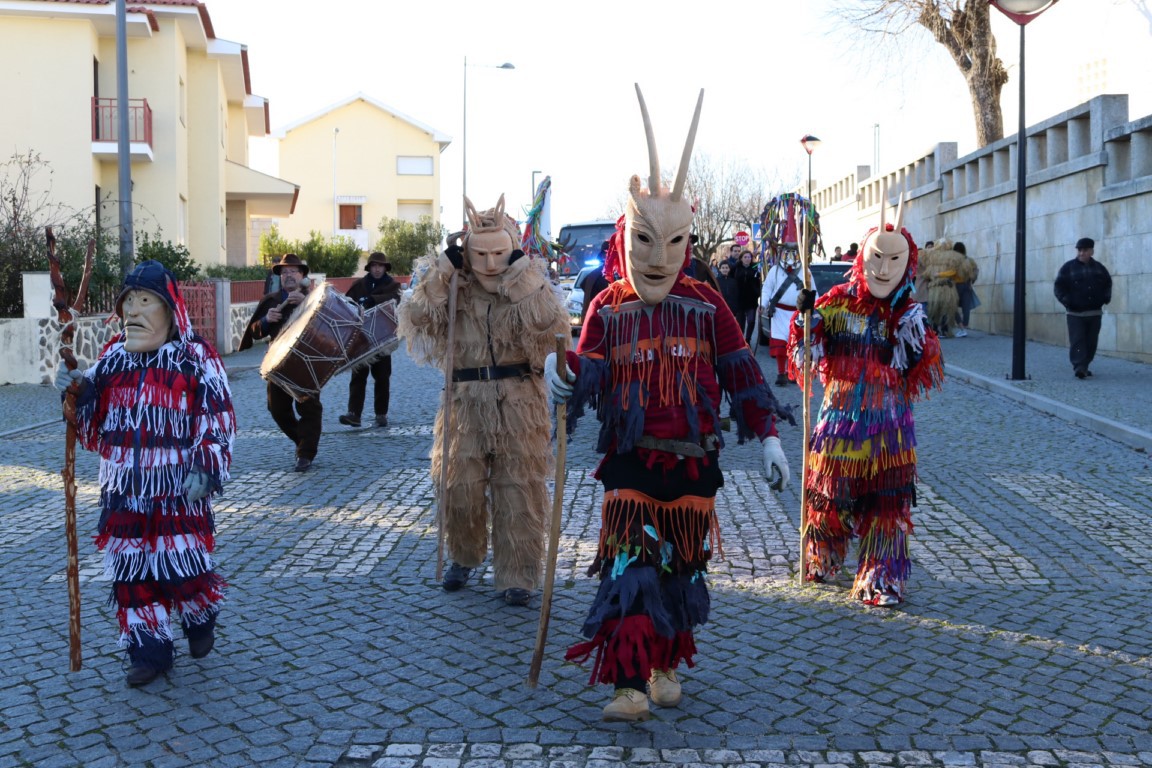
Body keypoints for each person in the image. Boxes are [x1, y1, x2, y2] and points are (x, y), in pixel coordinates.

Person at [549, 86, 792, 722]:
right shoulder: (606, 306)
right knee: (631, 564)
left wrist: (768, 436)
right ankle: (627, 682)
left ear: (688, 241)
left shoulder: (709, 305)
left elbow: (743, 377)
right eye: (645, 241)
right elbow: (590, 366)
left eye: (674, 242)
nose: (658, 259)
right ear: (625, 236)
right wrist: (566, 376)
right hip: (630, 461)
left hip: (692, 463)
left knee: (681, 568)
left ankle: (662, 664)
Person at [54, 260, 235, 687]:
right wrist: (74, 388)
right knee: (132, 575)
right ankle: (149, 652)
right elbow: (88, 419)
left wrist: (206, 465)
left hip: (178, 491)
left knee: (184, 569)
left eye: (145, 301)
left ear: (171, 309)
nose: (133, 311)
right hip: (123, 493)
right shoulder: (113, 358)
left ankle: (200, 617)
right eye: (128, 301)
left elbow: (218, 416)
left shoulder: (196, 358)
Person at [397, 194, 569, 607]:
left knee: (518, 490)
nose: (490, 264)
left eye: (499, 253)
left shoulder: (530, 286)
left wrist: (524, 280)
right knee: (459, 487)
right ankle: (464, 554)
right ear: (466, 254)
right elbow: (416, 318)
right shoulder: (455, 287)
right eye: (480, 254)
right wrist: (440, 274)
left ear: (511, 250)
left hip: (519, 401)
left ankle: (519, 575)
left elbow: (553, 329)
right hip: (465, 399)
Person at [789, 200, 943, 607]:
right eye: (877, 256)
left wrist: (917, 336)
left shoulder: (908, 313)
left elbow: (919, 368)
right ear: (862, 257)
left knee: (887, 505)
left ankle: (880, 576)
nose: (884, 267)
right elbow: (807, 349)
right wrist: (807, 317)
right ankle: (823, 554)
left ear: (908, 264)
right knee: (828, 497)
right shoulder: (838, 301)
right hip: (838, 424)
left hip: (889, 434)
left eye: (895, 259)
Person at [239, 253, 320, 472]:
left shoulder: (315, 299)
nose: (289, 275)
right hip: (278, 363)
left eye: (293, 271)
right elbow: (255, 332)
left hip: (307, 362)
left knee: (309, 408)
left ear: (303, 275)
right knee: (277, 409)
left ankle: (305, 454)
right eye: (284, 272)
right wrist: (266, 321)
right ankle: (302, 440)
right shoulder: (271, 300)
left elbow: (324, 326)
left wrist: (306, 304)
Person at [339, 251, 402, 428]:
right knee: (358, 377)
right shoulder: (359, 285)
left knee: (382, 377)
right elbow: (347, 305)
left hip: (383, 339)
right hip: (361, 340)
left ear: (385, 268)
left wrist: (372, 299)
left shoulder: (392, 285)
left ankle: (381, 414)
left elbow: (395, 300)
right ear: (369, 268)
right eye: (374, 266)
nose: (377, 269)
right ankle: (354, 413)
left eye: (380, 266)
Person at [1054, 237, 1112, 379]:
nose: (1081, 253)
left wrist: (1105, 299)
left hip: (1094, 312)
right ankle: (1079, 367)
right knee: (1078, 341)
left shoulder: (1099, 268)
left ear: (1091, 251)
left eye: (1085, 250)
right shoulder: (1068, 268)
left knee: (1091, 342)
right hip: (1075, 314)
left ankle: (1085, 365)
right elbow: (1059, 287)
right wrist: (1068, 302)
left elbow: (1108, 284)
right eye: (1079, 250)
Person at [759, 248, 812, 387]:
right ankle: (781, 372)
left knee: (795, 345)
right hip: (779, 312)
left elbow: (813, 290)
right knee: (781, 346)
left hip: (797, 314)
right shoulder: (774, 270)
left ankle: (792, 372)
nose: (789, 257)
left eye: (794, 253)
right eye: (786, 253)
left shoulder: (805, 271)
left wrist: (815, 307)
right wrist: (763, 304)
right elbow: (767, 289)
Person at [733, 250, 761, 344]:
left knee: (751, 320)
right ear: (741, 258)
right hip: (739, 299)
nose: (747, 259)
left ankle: (748, 339)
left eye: (749, 257)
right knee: (740, 323)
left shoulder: (755, 268)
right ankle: (741, 340)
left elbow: (759, 281)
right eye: (745, 257)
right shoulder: (736, 268)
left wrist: (758, 292)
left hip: (751, 299)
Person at [952, 241, 979, 337]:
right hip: (967, 285)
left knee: (952, 307)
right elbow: (975, 271)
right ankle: (964, 327)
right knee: (966, 307)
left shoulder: (953, 260)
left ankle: (961, 327)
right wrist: (972, 282)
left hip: (955, 286)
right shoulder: (969, 260)